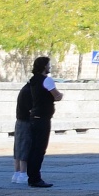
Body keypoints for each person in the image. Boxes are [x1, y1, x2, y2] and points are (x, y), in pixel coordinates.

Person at [15, 57, 61, 188]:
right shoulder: (47, 80)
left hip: (34, 117)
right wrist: (59, 96)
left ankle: (30, 175)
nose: (49, 66)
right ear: (44, 66)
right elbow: (57, 95)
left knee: (33, 148)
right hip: (43, 118)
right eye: (48, 64)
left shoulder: (32, 80)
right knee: (40, 149)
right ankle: (35, 178)